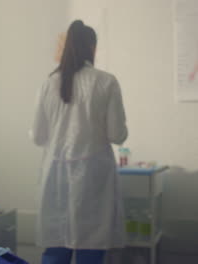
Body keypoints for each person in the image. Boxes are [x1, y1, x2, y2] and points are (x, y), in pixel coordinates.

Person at [31, 20, 128, 264]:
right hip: (93, 178)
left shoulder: (49, 83)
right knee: (91, 247)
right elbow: (117, 135)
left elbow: (38, 136)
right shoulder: (106, 81)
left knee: (55, 247)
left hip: (56, 177)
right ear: (92, 47)